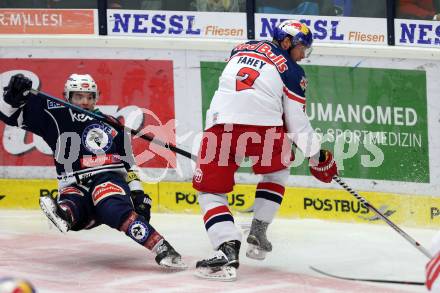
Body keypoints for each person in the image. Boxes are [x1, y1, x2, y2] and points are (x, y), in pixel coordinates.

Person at [192, 20, 338, 281]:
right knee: (277, 172)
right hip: (264, 128)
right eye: (302, 47)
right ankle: (258, 231)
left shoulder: (240, 48)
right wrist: (316, 157)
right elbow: (296, 122)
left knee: (211, 192)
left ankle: (227, 248)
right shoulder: (293, 71)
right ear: (285, 42)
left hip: (220, 125)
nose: (303, 54)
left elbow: (234, 86)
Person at [0, 73, 187, 269]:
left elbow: (128, 164)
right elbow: (9, 115)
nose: (85, 102)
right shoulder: (55, 115)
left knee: (111, 205)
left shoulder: (112, 123)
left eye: (89, 97)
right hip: (73, 183)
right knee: (73, 202)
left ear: (96, 98)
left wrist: (138, 193)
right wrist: (12, 97)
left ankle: (163, 248)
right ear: (68, 97)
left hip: (109, 178)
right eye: (79, 97)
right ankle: (65, 215)